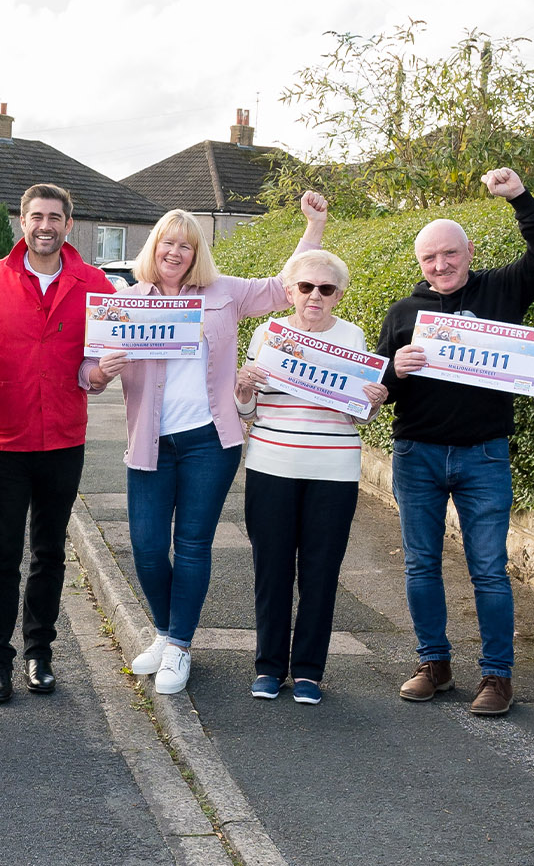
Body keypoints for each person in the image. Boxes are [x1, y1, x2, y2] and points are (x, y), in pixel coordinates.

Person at [82, 194, 326, 695]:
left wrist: (314, 225)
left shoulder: (224, 293)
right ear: (155, 247)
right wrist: (98, 374)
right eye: (168, 243)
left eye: (187, 246)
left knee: (192, 545)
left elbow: (285, 288)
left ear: (197, 253)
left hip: (209, 442)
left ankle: (180, 646)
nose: (176, 253)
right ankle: (167, 632)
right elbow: (88, 370)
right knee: (148, 548)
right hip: (149, 441)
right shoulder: (125, 302)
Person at [376, 167, 534, 717]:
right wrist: (396, 367)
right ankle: (433, 664)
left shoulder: (502, 289)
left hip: (484, 453)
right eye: (429, 258)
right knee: (420, 564)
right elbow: (379, 390)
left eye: (449, 254)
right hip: (417, 454)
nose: (440, 265)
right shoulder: (403, 313)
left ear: (468, 251)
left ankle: (497, 677)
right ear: (420, 264)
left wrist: (520, 197)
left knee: (487, 568)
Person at [0, 183, 116, 703]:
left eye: (55, 217)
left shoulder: (94, 282)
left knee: (49, 552)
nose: (45, 225)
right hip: (6, 440)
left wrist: (97, 370)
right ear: (22, 221)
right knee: (1, 556)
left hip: (64, 437)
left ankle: (40, 652)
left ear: (68, 223)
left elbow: (113, 342)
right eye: (36, 216)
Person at [234, 249, 388, 705]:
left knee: (321, 572)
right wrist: (242, 390)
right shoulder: (266, 334)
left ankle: (308, 672)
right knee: (272, 569)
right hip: (271, 466)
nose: (315, 296)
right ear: (291, 292)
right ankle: (268, 667)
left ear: (339, 296)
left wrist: (374, 402)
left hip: (333, 471)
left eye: (326, 289)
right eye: (306, 287)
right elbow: (248, 412)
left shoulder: (353, 337)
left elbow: (361, 417)